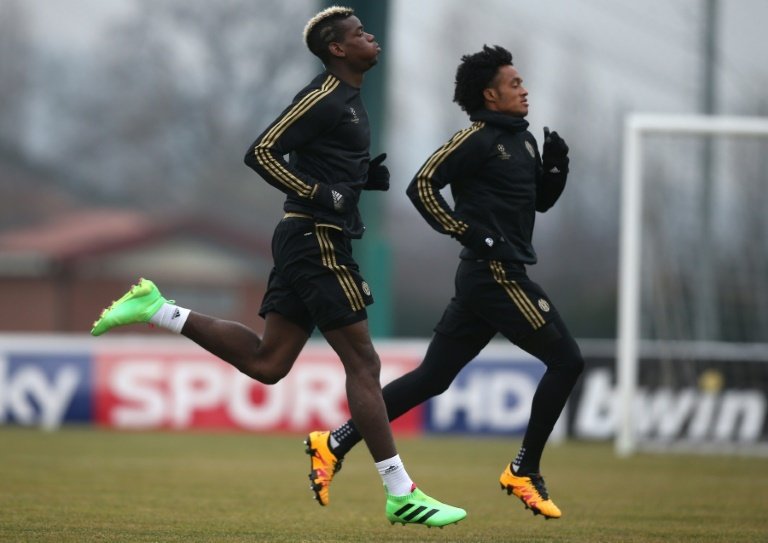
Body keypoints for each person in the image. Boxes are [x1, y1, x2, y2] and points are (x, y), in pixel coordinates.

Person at [89, 6, 466, 528]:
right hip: (315, 239)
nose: (371, 37)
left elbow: (325, 169)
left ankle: (158, 309)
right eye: (360, 33)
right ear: (338, 49)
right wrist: (320, 192)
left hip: (311, 237)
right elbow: (262, 151)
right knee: (364, 365)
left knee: (269, 364)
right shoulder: (325, 95)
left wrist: (355, 182)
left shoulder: (351, 101)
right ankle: (400, 492)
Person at [305, 44, 584, 520]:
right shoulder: (474, 138)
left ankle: (333, 442)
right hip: (494, 274)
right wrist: (470, 233)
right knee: (567, 361)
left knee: (432, 378)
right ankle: (524, 470)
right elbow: (422, 185)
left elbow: (538, 202)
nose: (524, 89)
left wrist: (555, 168)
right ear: (490, 96)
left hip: (491, 277)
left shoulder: (525, 140)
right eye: (514, 84)